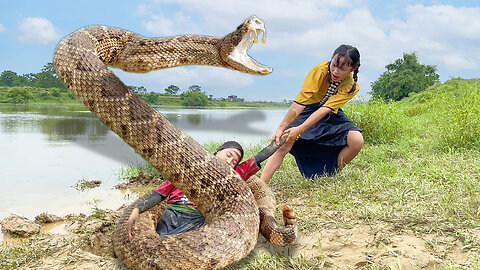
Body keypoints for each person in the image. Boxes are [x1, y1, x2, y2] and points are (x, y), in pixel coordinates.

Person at [127, 140, 293, 239]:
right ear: (218, 150)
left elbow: (259, 157)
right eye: (228, 155)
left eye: (234, 161)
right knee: (158, 241)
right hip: (172, 213)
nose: (230, 161)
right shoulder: (187, 168)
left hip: (196, 218)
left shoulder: (231, 176)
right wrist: (137, 209)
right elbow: (160, 193)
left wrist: (282, 140)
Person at [261, 44, 364, 182]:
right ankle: (262, 184)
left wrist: (300, 129)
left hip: (330, 113)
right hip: (308, 108)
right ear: (331, 59)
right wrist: (281, 128)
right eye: (334, 65)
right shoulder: (319, 71)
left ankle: (329, 175)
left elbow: (326, 109)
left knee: (357, 140)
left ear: (353, 69)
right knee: (284, 142)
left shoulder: (352, 87)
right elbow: (300, 103)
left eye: (342, 68)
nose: (335, 71)